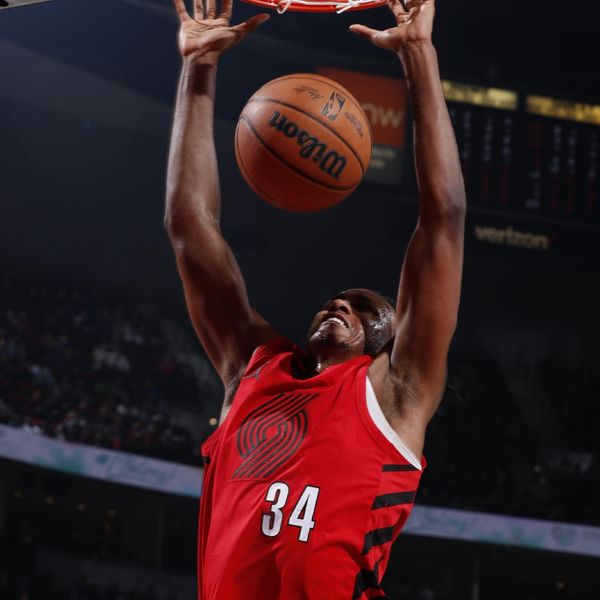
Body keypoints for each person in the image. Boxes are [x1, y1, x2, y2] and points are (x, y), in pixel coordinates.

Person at [164, 0, 465, 597]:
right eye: (334, 300)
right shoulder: (254, 371)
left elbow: (444, 220)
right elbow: (190, 229)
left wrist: (418, 56)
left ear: (387, 341)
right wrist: (198, 70)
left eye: (361, 307)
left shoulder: (396, 395)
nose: (339, 306)